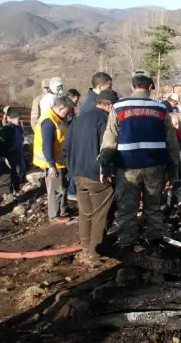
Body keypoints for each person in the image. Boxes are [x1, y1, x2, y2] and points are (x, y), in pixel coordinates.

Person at [98, 69, 181, 253]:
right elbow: (172, 142)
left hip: (127, 168)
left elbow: (110, 139)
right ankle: (154, 240)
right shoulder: (160, 109)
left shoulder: (118, 108)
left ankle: (127, 242)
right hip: (154, 167)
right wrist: (174, 168)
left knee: (127, 207)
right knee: (153, 205)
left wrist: (104, 165)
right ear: (150, 87)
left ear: (132, 86)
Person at [63, 89, 119, 264]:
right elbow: (108, 149)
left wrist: (72, 169)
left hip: (77, 174)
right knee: (100, 215)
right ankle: (94, 254)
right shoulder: (106, 121)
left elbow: (66, 148)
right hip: (97, 176)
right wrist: (109, 172)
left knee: (85, 213)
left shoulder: (78, 120)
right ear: (110, 105)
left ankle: (85, 249)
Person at [33, 96, 75, 224]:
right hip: (53, 162)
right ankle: (54, 216)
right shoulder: (49, 122)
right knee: (55, 189)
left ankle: (62, 211)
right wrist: (52, 165)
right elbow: (47, 146)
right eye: (66, 112)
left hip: (59, 160)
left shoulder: (57, 118)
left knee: (61, 187)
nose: (67, 114)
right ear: (61, 108)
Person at [0, 109, 24, 199]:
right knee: (15, 172)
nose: (18, 120)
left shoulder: (19, 127)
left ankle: (16, 189)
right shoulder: (7, 129)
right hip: (11, 153)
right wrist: (4, 155)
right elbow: (2, 141)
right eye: (16, 119)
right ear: (11, 119)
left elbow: (21, 137)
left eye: (19, 118)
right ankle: (14, 191)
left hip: (18, 152)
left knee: (19, 171)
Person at [64, 88, 82, 201]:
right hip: (68, 140)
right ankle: (71, 191)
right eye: (76, 99)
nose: (76, 102)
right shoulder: (66, 109)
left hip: (71, 138)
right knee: (72, 165)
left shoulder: (72, 110)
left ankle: (71, 189)